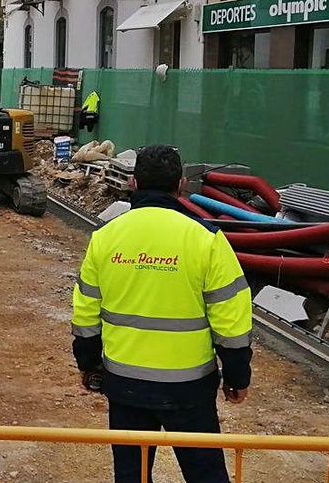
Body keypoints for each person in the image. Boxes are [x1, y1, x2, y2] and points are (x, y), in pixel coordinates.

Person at [71, 144, 253, 483]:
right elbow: (232, 319)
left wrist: (88, 365)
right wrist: (236, 375)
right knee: (206, 475)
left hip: (125, 387)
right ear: (181, 185)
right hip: (189, 389)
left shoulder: (105, 238)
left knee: (132, 476)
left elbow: (85, 314)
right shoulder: (206, 240)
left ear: (134, 183)